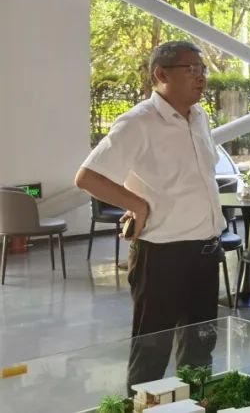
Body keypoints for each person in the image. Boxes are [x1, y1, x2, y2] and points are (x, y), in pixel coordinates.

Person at [75, 40, 224, 391]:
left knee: (200, 346)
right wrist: (138, 205)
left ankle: (195, 404)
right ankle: (141, 407)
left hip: (205, 251)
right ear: (161, 74)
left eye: (202, 69)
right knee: (152, 350)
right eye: (191, 69)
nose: (200, 77)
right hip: (161, 256)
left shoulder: (199, 117)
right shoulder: (138, 122)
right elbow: (88, 177)